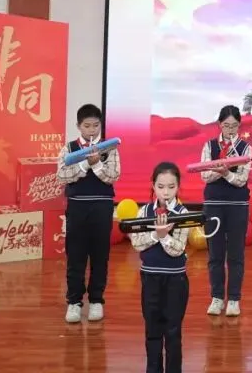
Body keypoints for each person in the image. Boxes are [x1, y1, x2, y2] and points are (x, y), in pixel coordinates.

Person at [56, 103, 121, 323]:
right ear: (78, 126)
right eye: (87, 126)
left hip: (102, 207)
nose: (92, 130)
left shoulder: (109, 147)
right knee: (75, 255)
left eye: (95, 125)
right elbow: (61, 176)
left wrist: (97, 166)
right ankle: (74, 302)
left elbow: (113, 176)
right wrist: (85, 165)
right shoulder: (69, 148)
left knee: (100, 255)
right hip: (77, 206)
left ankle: (96, 301)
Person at [131, 162, 191, 373]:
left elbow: (178, 249)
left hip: (175, 280)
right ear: (153, 186)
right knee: (152, 330)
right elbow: (137, 243)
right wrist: (156, 234)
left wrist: (164, 237)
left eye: (171, 187)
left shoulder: (183, 213)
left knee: (173, 331)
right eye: (161, 186)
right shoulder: (144, 211)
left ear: (178, 187)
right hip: (150, 279)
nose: (166, 192)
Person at [200, 104, 252, 317]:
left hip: (237, 206)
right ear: (219, 125)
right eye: (226, 125)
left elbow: (242, 180)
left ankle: (233, 299)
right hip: (214, 204)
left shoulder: (245, 148)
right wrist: (221, 170)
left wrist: (225, 173)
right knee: (215, 254)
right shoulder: (209, 146)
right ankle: (216, 297)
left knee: (236, 254)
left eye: (234, 126)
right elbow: (204, 176)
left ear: (239, 125)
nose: (230, 130)